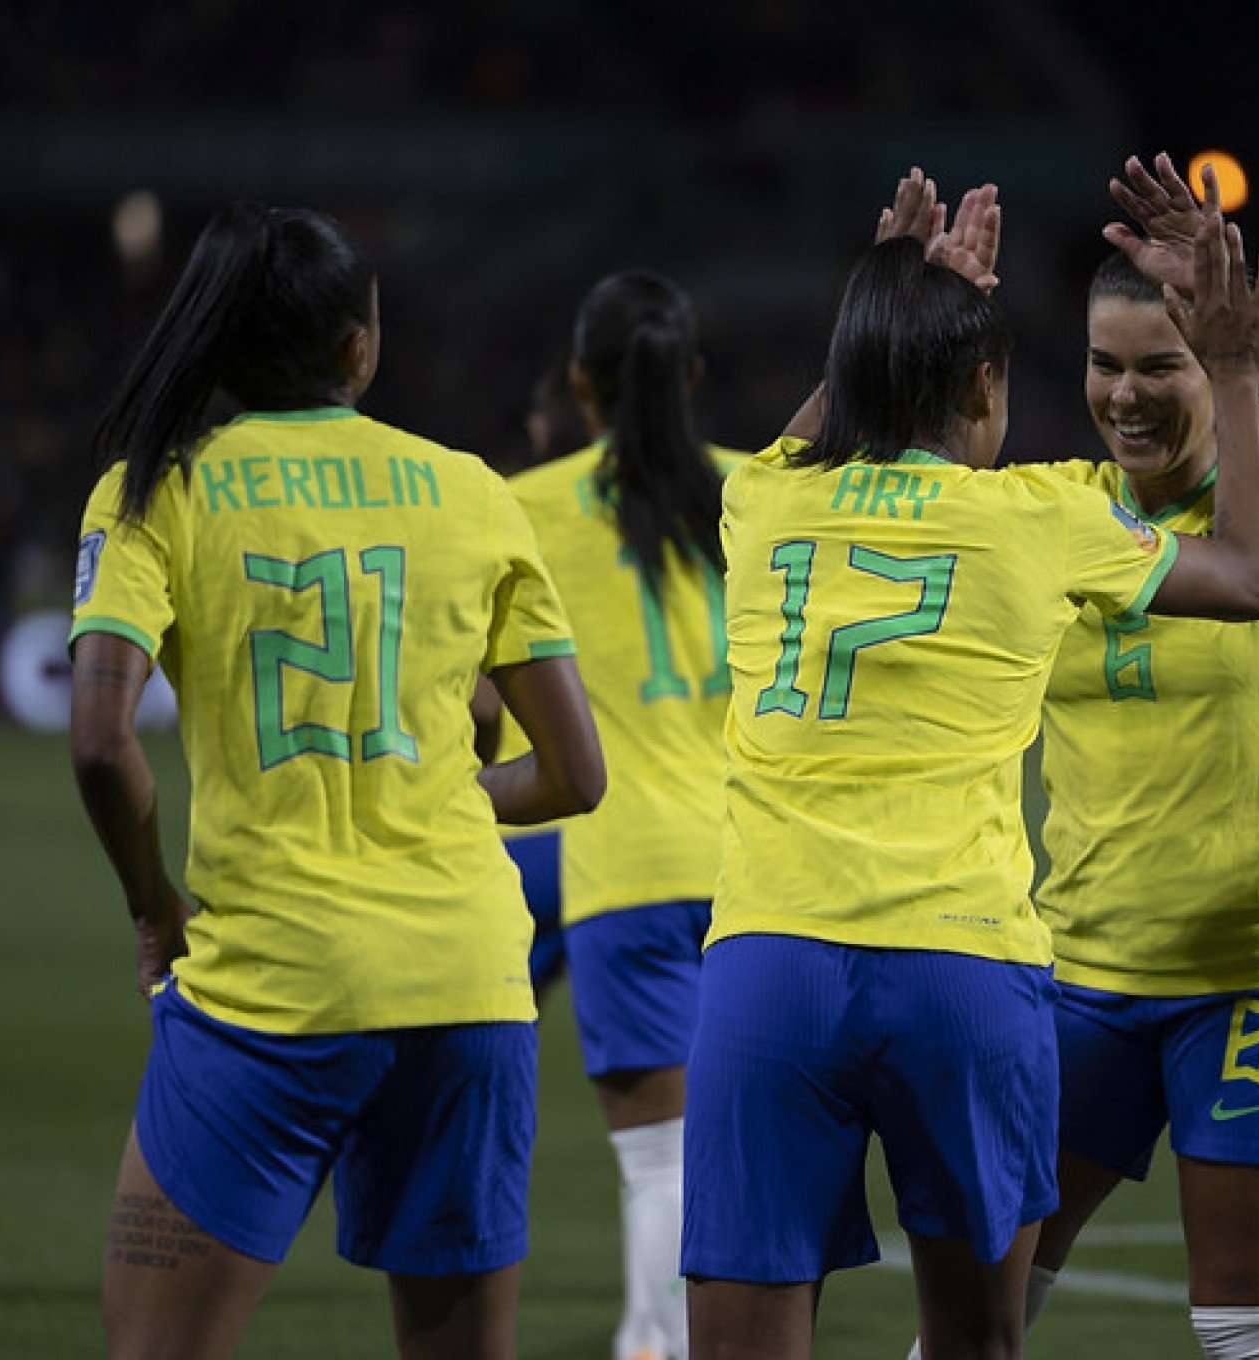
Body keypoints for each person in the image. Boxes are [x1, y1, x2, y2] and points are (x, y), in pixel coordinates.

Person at [684, 169, 1259, 1360]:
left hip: (771, 961)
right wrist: (1230, 366)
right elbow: (1251, 574)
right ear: (982, 386)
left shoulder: (761, 503)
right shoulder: (1041, 515)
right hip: (960, 969)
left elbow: (808, 438)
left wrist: (889, 304)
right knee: (975, 1345)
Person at [67, 202, 606, 1360]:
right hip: (466, 988)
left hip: (268, 996)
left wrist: (152, 905)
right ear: (360, 344)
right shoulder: (472, 489)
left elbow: (101, 742)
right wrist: (452, 805)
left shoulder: (155, 487)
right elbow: (577, 773)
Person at [1003, 152, 1259, 1360]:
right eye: (1105, 365)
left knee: (1252, 1336)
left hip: (1256, 972)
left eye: (1157, 366)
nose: (1126, 395)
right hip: (1079, 979)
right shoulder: (1053, 514)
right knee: (977, 1323)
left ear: (1213, 374)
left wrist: (1237, 337)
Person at [479, 272, 745, 1360]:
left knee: (659, 1161)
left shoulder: (521, 505)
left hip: (616, 861)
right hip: (757, 870)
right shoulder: (752, 489)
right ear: (691, 376)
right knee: (739, 1161)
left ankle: (651, 1342)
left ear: (578, 382)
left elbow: (479, 682)